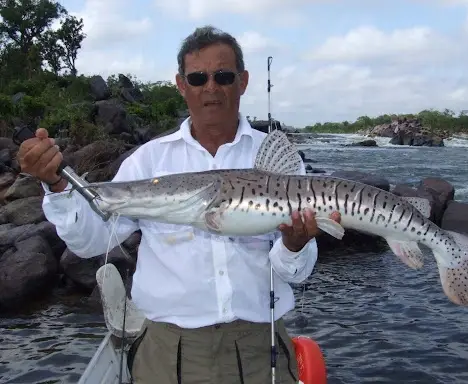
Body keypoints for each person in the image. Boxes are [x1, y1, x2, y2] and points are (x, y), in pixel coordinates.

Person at [17, 25, 341, 384]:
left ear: (243, 81)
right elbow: (91, 241)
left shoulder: (279, 161)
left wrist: (294, 246)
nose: (211, 87)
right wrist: (58, 184)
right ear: (181, 85)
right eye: (199, 77)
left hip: (259, 347)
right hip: (169, 353)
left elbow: (296, 272)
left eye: (223, 75)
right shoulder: (148, 161)